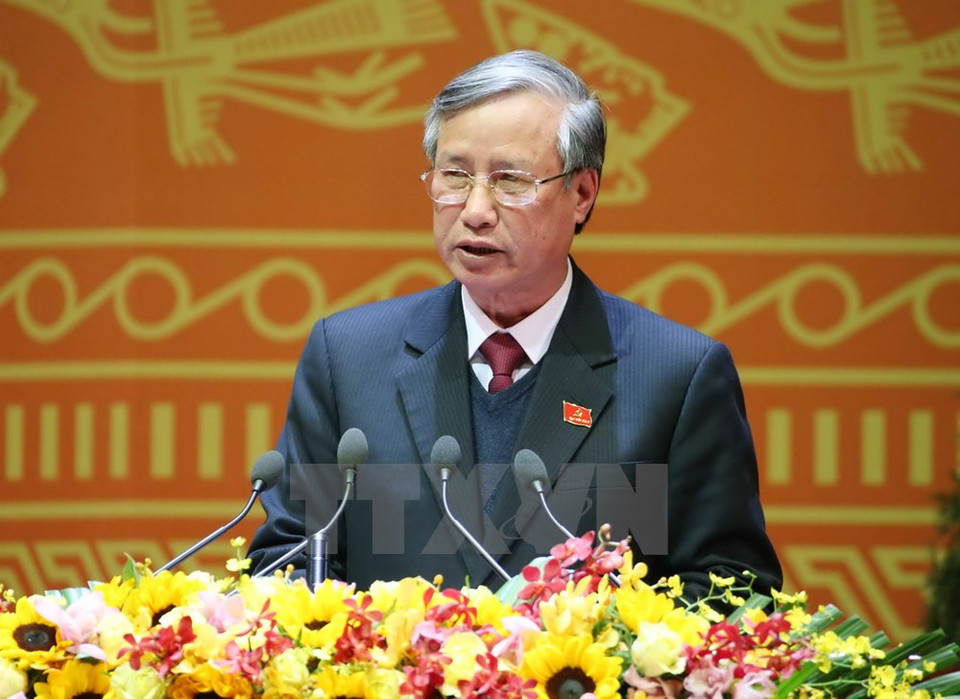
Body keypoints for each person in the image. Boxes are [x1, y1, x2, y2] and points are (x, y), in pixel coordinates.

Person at [247, 49, 782, 599]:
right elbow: (287, 560)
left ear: (582, 194)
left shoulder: (675, 375)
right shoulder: (347, 357)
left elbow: (731, 591)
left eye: (510, 181)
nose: (475, 210)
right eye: (455, 176)